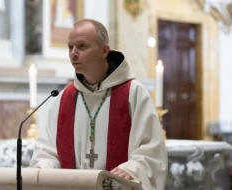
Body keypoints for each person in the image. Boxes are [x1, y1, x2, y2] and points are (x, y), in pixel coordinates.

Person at [29, 19, 168, 190]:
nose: (73, 53)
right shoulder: (65, 98)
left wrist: (132, 169)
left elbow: (151, 151)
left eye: (81, 46)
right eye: (70, 47)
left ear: (104, 51)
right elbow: (48, 151)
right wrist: (43, 167)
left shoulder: (133, 93)